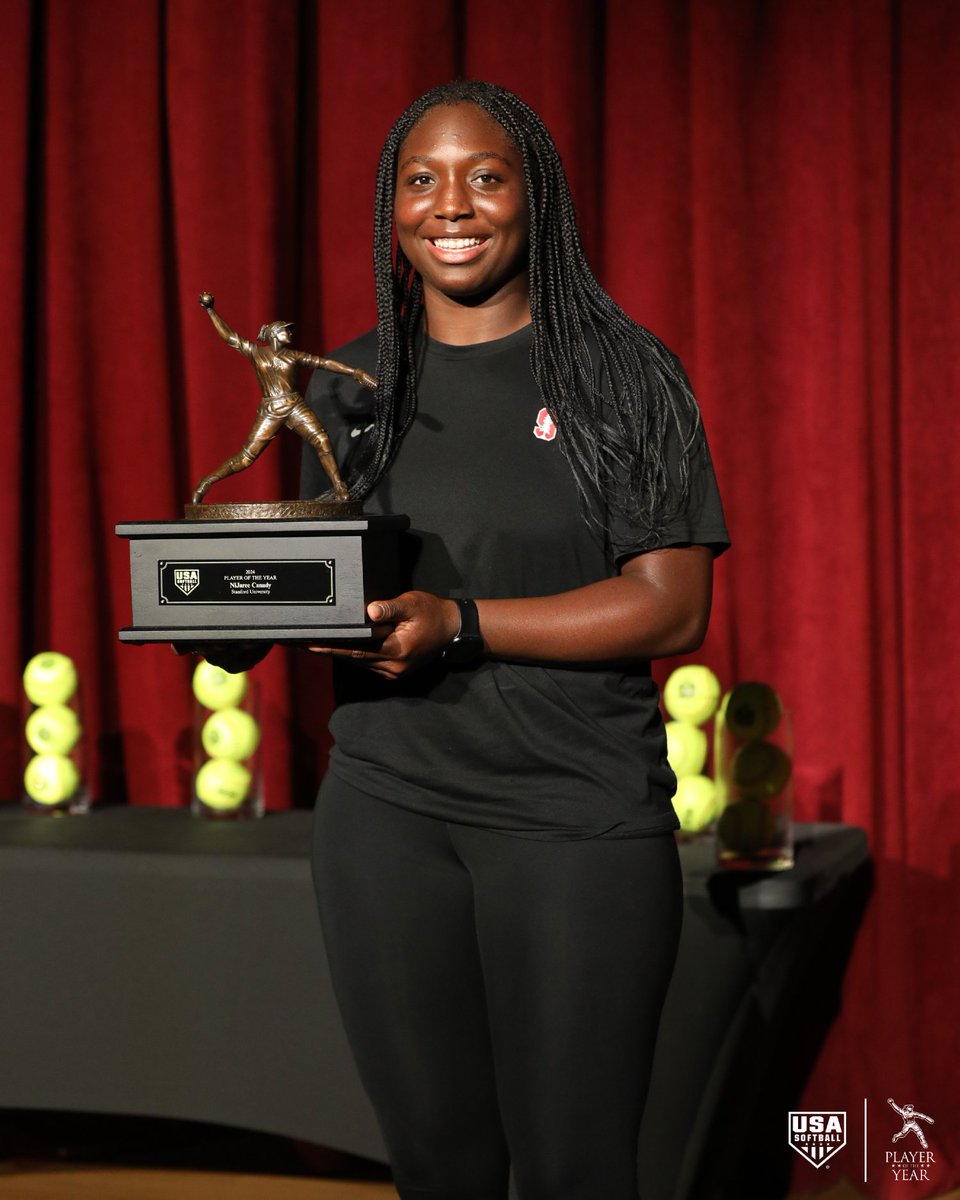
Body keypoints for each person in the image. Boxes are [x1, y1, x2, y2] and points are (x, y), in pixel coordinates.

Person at [301, 80, 730, 1200]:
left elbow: (674, 606)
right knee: (439, 1168)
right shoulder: (348, 391)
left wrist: (465, 626)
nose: (453, 204)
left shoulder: (620, 376)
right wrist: (230, 622)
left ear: (533, 196)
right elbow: (322, 586)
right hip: (387, 818)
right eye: (422, 180)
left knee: (577, 1171)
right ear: (391, 205)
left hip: (573, 818)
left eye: (485, 177)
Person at [191, 292, 376, 504]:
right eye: (285, 330)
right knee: (246, 457)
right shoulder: (256, 353)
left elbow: (324, 364)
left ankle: (340, 488)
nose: (290, 333)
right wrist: (210, 311)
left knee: (322, 440)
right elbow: (229, 337)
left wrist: (355, 372)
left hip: (294, 405)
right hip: (270, 409)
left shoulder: (294, 356)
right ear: (274, 334)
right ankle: (207, 482)